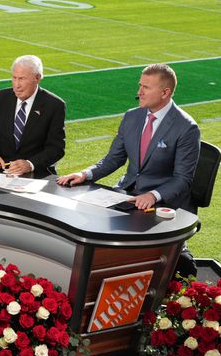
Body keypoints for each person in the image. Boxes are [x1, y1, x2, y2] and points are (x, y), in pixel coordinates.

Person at [57, 64, 200, 275]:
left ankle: (177, 259)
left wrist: (153, 195)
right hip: (127, 194)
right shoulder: (132, 116)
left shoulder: (186, 127)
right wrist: (85, 174)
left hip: (163, 203)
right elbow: (113, 159)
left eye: (146, 87)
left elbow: (183, 179)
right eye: (140, 85)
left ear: (165, 92)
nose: (139, 92)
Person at [0, 55, 65, 178]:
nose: (17, 85)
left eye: (22, 79)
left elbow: (56, 148)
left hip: (34, 174)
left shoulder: (54, 105)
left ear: (37, 78)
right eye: (14, 78)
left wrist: (30, 164)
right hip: (0, 172)